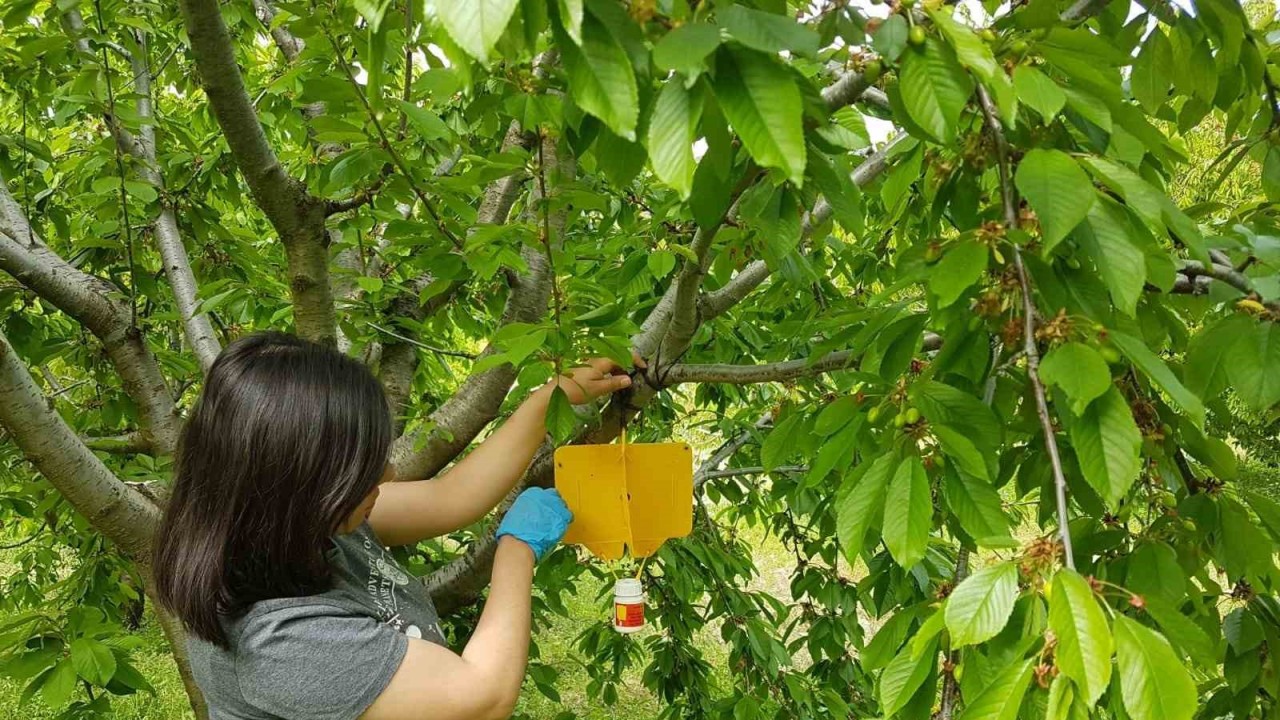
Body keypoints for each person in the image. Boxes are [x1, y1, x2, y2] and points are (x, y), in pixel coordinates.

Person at [152, 331, 638, 720]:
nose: (386, 476)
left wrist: (549, 400)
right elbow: (483, 696)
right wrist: (517, 548)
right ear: (303, 488)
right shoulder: (281, 642)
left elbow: (451, 496)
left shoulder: (293, 526)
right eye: (364, 470)